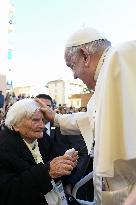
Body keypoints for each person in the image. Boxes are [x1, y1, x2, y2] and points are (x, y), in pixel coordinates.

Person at [36, 27, 136, 205]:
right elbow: (91, 119)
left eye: (71, 66)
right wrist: (56, 118)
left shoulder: (122, 56)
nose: (74, 74)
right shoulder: (104, 80)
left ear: (85, 56)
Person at [0, 98, 78, 205]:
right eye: (35, 120)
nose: (42, 126)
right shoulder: (4, 147)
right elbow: (8, 193)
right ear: (16, 124)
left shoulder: (43, 139)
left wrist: (68, 166)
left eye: (42, 120)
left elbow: (57, 175)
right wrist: (47, 172)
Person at [36, 94, 93, 201]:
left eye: (47, 106)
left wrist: (71, 182)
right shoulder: (27, 130)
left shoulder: (65, 127)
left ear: (52, 109)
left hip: (64, 186)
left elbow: (83, 151)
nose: (43, 110)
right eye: (39, 107)